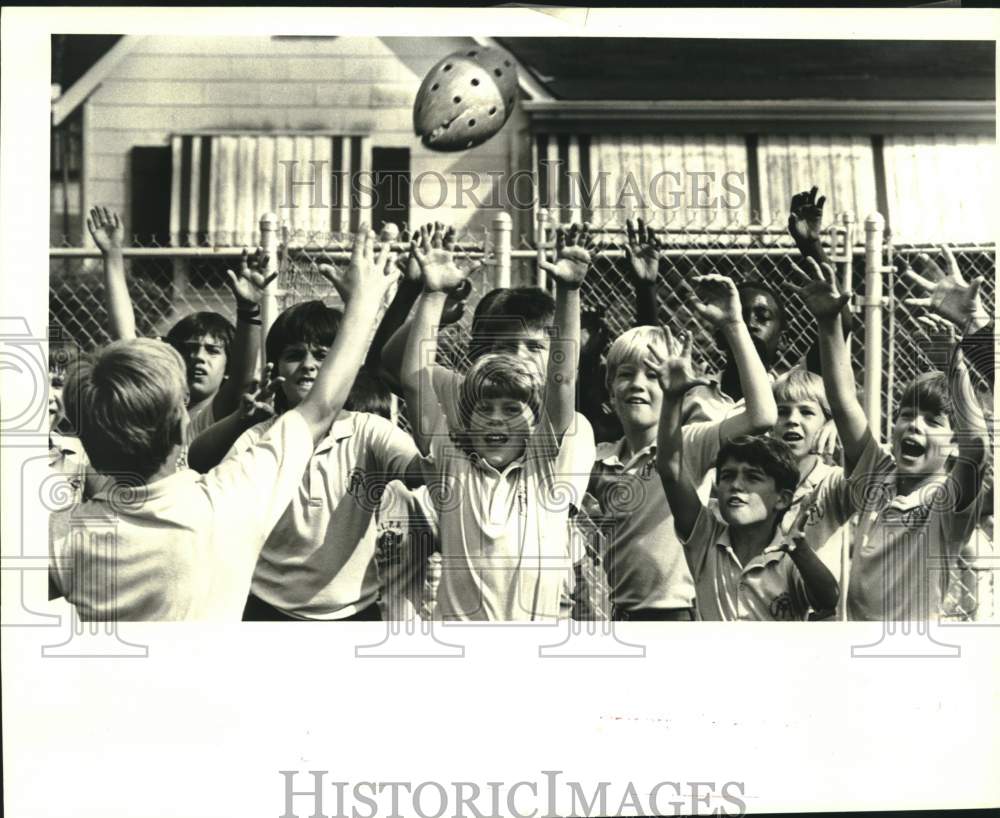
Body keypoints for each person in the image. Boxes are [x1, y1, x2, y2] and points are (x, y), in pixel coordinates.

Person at [49, 226, 396, 621]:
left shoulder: (64, 536)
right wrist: (364, 305)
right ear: (183, 428)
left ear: (88, 448)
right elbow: (322, 406)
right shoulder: (226, 502)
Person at [400, 224, 596, 621]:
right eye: (484, 409)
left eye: (511, 410)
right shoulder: (451, 463)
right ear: (463, 418)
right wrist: (433, 293)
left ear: (537, 421)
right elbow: (415, 379)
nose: (496, 419)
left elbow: (563, 380)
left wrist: (570, 293)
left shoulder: (543, 466)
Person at [796, 251, 989, 621]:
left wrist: (956, 368)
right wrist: (828, 325)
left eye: (933, 421)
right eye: (905, 416)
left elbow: (977, 447)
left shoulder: (948, 499)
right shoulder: (877, 473)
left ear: (952, 444)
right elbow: (843, 402)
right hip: (855, 645)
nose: (913, 426)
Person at [586, 272, 778, 621]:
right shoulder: (600, 458)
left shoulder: (690, 442)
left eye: (652, 374)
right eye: (625, 374)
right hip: (623, 618)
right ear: (610, 389)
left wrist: (734, 325)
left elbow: (762, 416)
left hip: (685, 615)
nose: (637, 384)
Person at [226, 295, 421, 622]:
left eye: (322, 355)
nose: (308, 365)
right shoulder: (257, 439)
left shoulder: (368, 431)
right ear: (275, 369)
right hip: (266, 608)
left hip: (353, 612)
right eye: (294, 355)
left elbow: (423, 472)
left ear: (341, 366)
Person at [647, 331, 840, 621]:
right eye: (726, 476)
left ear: (782, 499)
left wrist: (801, 551)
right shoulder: (704, 539)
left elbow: (828, 598)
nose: (736, 485)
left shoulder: (789, 553)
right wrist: (673, 399)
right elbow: (672, 470)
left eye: (752, 478)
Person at [86, 205, 272, 439]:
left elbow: (241, 379)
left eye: (213, 351)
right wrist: (113, 254)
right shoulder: (159, 406)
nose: (199, 357)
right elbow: (125, 340)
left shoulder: (218, 411)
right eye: (189, 348)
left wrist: (248, 308)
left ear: (228, 367)